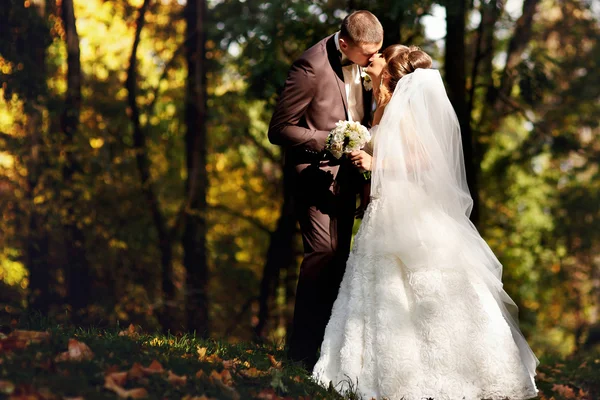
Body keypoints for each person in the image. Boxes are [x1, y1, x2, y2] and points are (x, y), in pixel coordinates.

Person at [312, 45, 539, 400]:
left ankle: (449, 367)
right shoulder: (383, 106)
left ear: (390, 72)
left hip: (407, 210)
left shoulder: (405, 111)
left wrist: (376, 166)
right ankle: (367, 366)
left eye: (379, 60)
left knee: (424, 284)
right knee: (383, 285)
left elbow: (423, 162)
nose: (373, 63)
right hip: (383, 206)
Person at [267, 11, 383, 370]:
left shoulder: (370, 62)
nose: (373, 61)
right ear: (344, 43)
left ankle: (329, 353)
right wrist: (328, 141)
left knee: (341, 262)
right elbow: (279, 129)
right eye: (366, 55)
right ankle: (300, 354)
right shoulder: (310, 66)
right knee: (323, 255)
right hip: (315, 176)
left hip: (351, 176)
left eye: (375, 52)